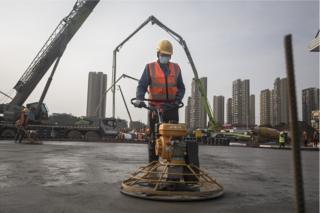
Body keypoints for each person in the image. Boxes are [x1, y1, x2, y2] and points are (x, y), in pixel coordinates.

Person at [133, 40, 185, 162]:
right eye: (163, 55)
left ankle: (174, 164)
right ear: (158, 54)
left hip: (172, 107)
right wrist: (140, 99)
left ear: (171, 56)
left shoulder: (176, 68)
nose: (165, 57)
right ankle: (153, 164)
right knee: (153, 137)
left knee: (174, 137)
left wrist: (177, 101)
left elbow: (181, 87)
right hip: (154, 108)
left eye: (168, 55)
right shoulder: (150, 68)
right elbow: (142, 85)